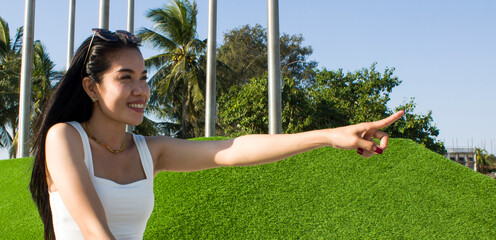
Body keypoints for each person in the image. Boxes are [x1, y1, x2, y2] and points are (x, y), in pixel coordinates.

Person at [30, 28, 405, 240]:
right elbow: (96, 232)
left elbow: (233, 149)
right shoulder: (64, 138)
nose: (141, 89)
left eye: (143, 77)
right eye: (125, 78)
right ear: (92, 88)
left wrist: (329, 135)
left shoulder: (150, 151)